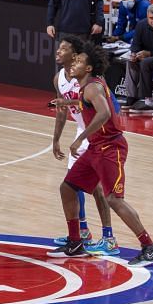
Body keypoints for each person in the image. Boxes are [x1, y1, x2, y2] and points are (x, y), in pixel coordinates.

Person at [48, 42, 153, 268]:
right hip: (95, 149)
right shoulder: (86, 86)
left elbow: (104, 113)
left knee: (114, 199)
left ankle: (149, 246)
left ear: (89, 68)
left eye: (79, 61)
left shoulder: (92, 87)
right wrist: (67, 102)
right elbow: (86, 103)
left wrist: (80, 138)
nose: (74, 64)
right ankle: (75, 241)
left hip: (111, 148)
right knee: (68, 187)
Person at [50, 37, 117, 255]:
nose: (58, 51)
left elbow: (108, 110)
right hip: (81, 131)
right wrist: (56, 138)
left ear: (76, 55)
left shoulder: (92, 79)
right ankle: (82, 231)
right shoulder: (59, 78)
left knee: (97, 189)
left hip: (97, 135)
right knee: (71, 184)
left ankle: (108, 236)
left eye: (64, 48)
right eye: (59, 47)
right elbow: (63, 111)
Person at [121, 4, 153, 111]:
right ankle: (131, 97)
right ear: (147, 16)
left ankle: (149, 100)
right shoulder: (141, 25)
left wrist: (149, 53)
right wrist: (134, 54)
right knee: (131, 62)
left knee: (147, 62)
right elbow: (135, 44)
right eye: (151, 18)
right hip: (144, 57)